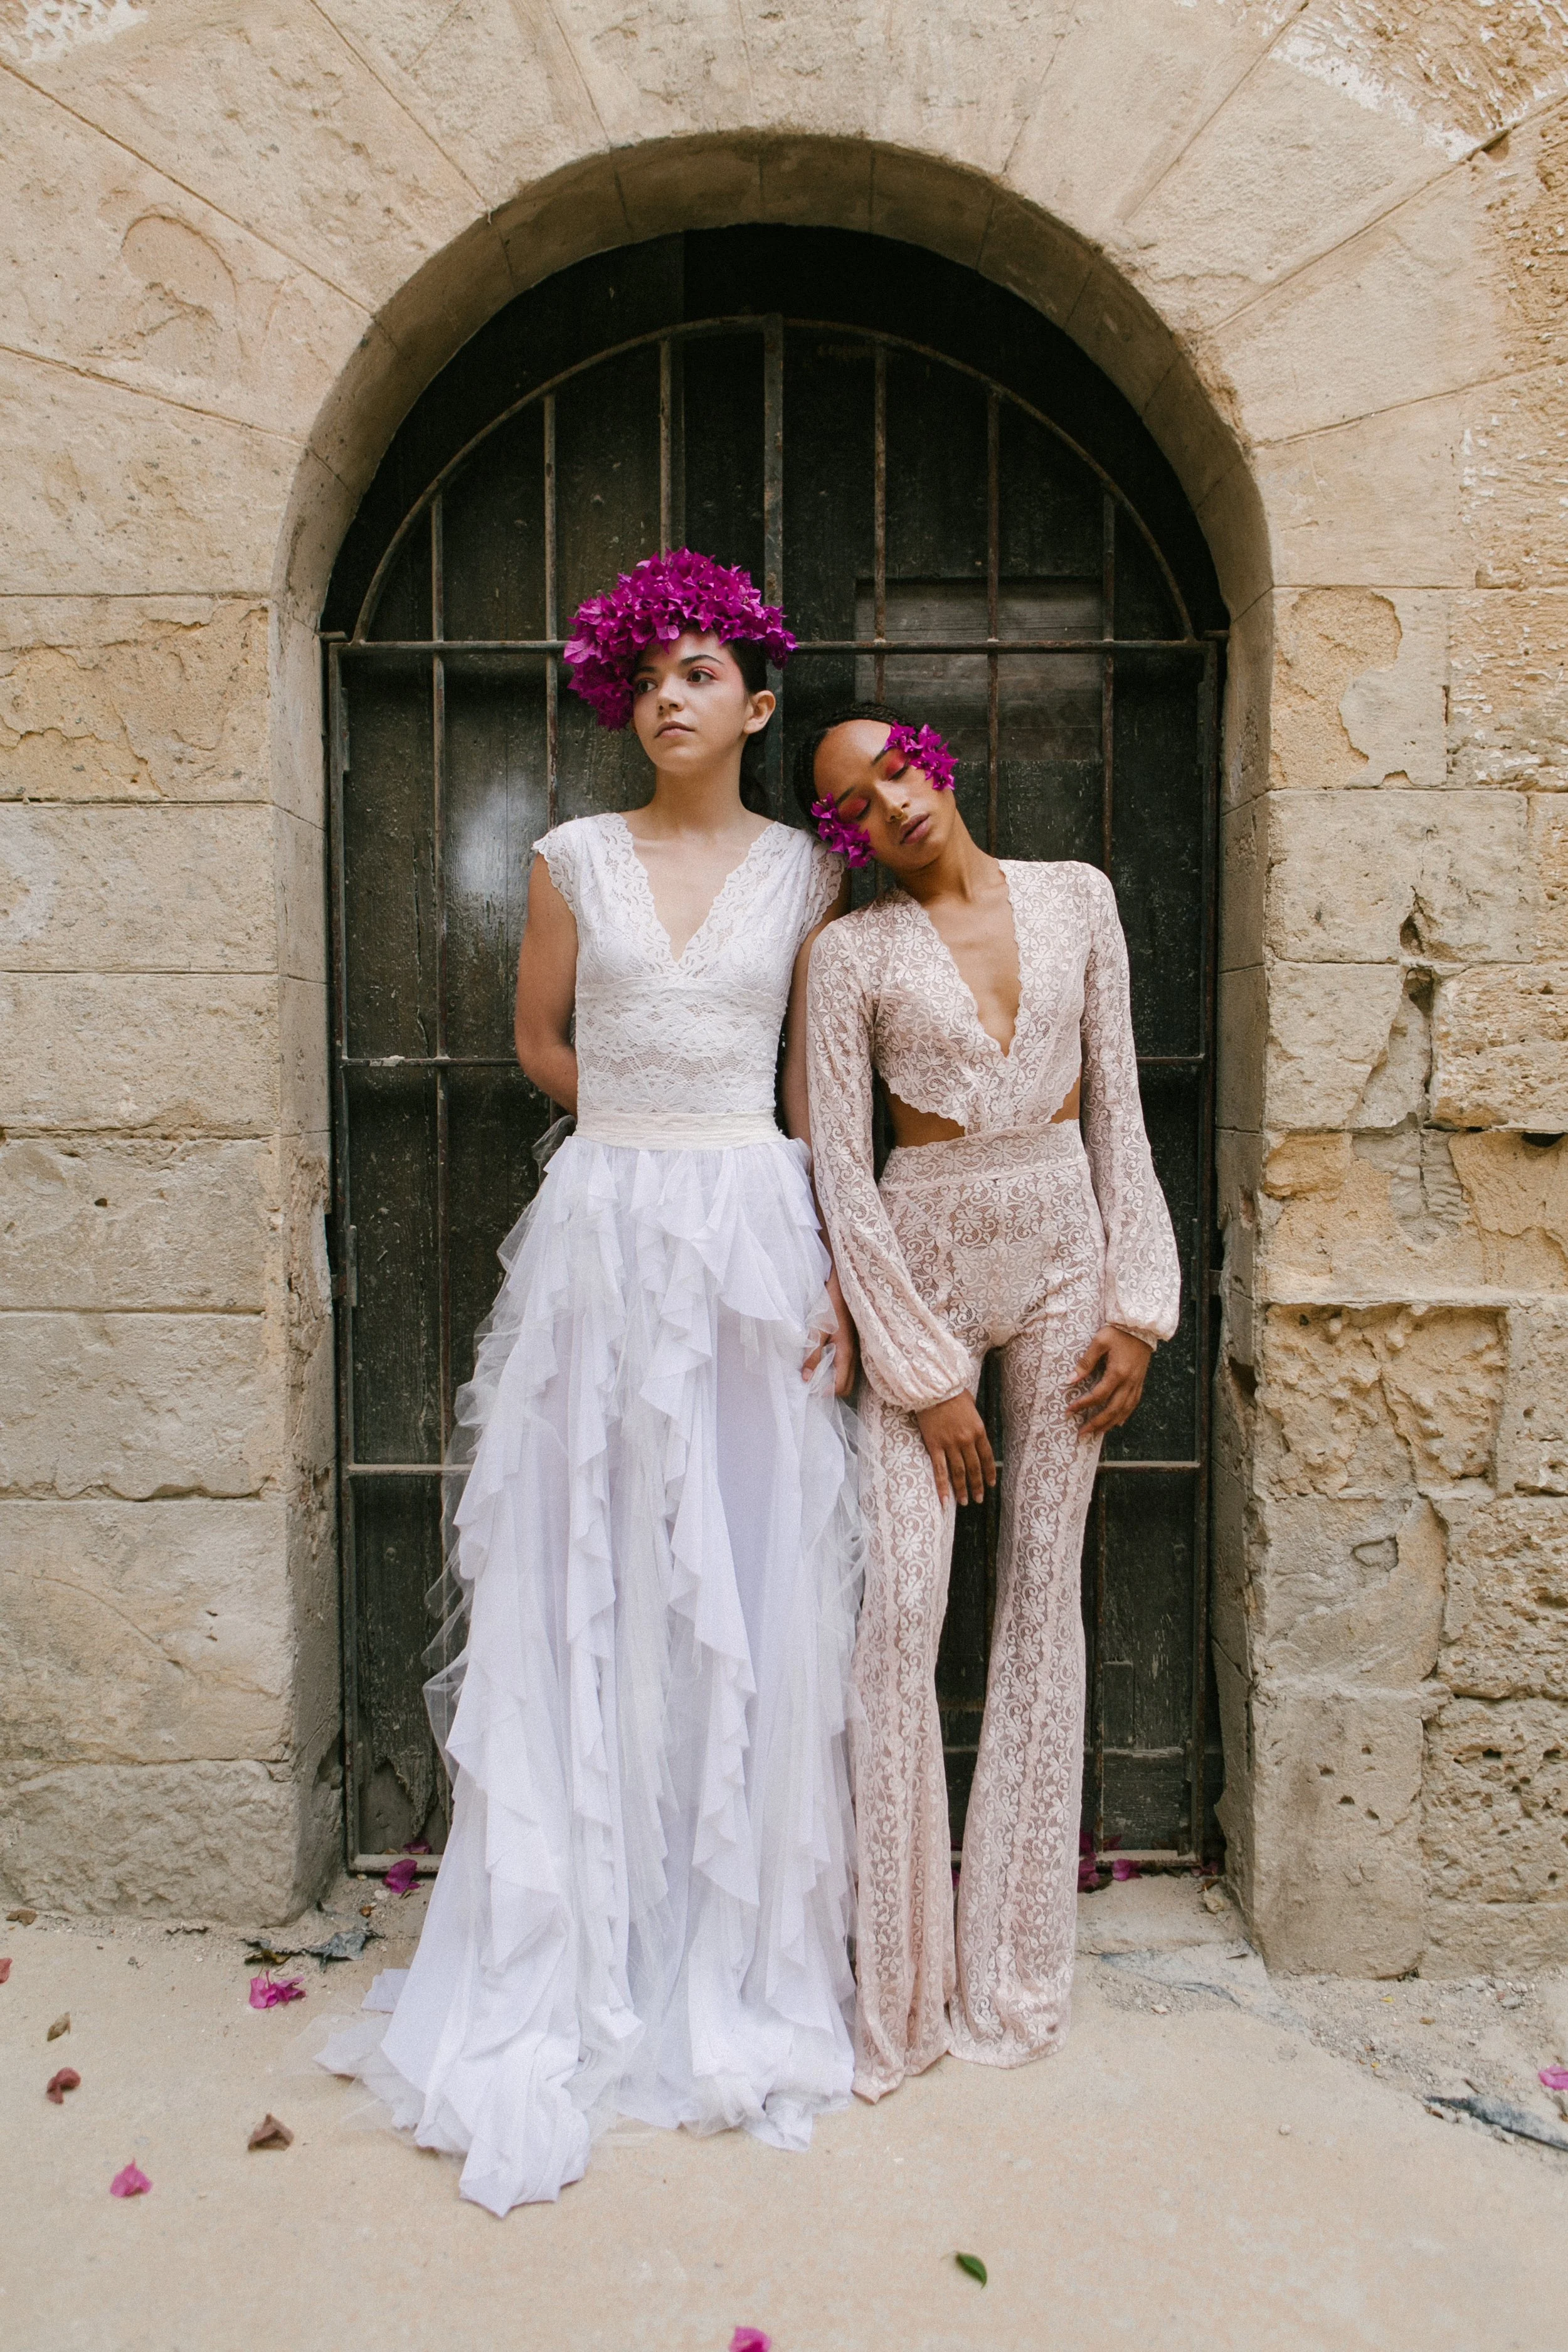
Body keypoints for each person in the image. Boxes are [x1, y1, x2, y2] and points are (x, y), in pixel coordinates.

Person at [321, 553, 861, 2213]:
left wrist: (819, 1245)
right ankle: (583, 1938)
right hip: (604, 1230)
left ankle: (725, 1938)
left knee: (741, 1566)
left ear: (757, 704)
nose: (665, 698)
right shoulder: (571, 857)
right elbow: (539, 1038)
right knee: (588, 1556)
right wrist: (633, 1138)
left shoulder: (808, 874)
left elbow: (809, 1084)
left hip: (756, 1230)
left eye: (698, 673)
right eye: (645, 677)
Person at [797, 704, 1180, 2102]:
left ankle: (1013, 1971)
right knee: (902, 1613)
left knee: (1039, 1601)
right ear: (845, 836)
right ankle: (899, 1996)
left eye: (895, 768)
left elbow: (1119, 1108)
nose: (888, 803)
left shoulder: (1078, 897)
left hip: (1070, 1257)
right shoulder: (848, 957)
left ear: (934, 757)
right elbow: (841, 1172)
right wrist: (922, 1376)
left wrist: (1138, 1303)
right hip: (927, 1272)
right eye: (853, 803)